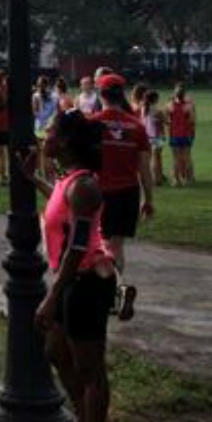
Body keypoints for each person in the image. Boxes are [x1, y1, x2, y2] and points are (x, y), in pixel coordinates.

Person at [23, 110, 116, 422]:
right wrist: (33, 179)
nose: (43, 136)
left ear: (62, 141)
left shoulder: (84, 186)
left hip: (86, 282)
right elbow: (60, 206)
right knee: (56, 351)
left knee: (90, 369)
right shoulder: (70, 181)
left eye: (48, 131)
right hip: (71, 280)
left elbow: (77, 248)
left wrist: (52, 296)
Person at [89, 73, 152, 322]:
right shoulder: (137, 126)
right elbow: (145, 169)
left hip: (100, 191)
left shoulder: (92, 123)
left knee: (102, 246)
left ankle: (112, 293)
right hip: (129, 192)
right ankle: (115, 295)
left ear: (101, 94)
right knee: (117, 246)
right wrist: (149, 199)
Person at [167, 83, 196, 186]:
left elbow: (167, 120)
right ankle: (188, 179)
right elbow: (192, 120)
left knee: (176, 159)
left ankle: (176, 180)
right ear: (184, 94)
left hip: (174, 134)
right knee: (187, 158)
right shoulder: (188, 106)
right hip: (186, 134)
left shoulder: (169, 105)